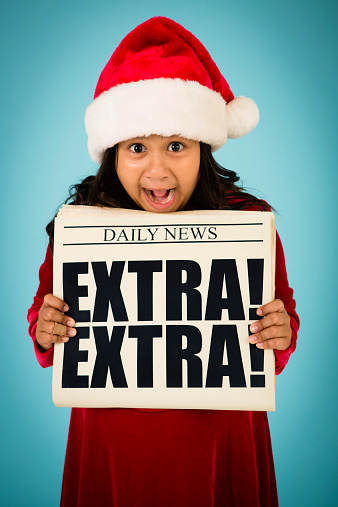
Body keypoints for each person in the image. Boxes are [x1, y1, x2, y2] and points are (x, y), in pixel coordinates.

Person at [27, 16, 299, 507]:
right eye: (137, 148)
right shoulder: (82, 225)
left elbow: (280, 322)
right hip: (112, 446)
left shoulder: (248, 224)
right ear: (112, 152)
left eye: (176, 145)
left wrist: (280, 335)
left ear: (202, 147)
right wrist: (45, 330)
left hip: (217, 444)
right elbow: (46, 315)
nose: (158, 170)